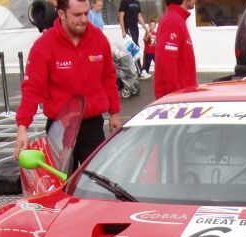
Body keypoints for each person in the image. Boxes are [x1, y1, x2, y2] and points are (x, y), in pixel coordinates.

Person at [13, 0, 121, 169]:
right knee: (62, 187)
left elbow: (108, 77)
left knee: (95, 184)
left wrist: (114, 112)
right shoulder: (44, 46)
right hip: (60, 130)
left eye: (86, 13)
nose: (84, 19)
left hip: (92, 128)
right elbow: (32, 89)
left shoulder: (98, 39)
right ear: (61, 14)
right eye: (77, 15)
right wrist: (22, 129)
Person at [154, 0, 197, 98]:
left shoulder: (176, 19)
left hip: (182, 96)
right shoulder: (173, 20)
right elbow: (167, 61)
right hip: (177, 100)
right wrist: (176, 96)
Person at [118, 0, 150, 78]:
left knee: (131, 50)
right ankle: (140, 72)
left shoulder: (137, 2)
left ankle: (125, 71)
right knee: (135, 49)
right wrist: (123, 30)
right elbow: (121, 16)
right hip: (128, 28)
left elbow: (139, 16)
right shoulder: (124, 2)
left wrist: (147, 29)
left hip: (135, 29)